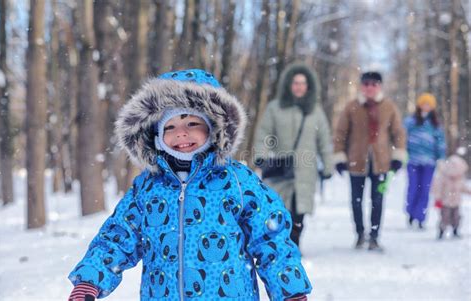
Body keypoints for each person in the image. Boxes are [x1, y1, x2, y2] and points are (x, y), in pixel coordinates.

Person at [67, 69, 311, 301]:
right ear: (157, 137)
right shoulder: (147, 189)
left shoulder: (237, 182)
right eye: (170, 127)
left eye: (192, 124)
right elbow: (117, 237)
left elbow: (271, 239)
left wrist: (290, 290)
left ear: (213, 128)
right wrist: (90, 280)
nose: (181, 134)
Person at [253, 63, 333, 247]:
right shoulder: (275, 108)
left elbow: (324, 140)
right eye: (295, 83)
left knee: (299, 211)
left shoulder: (315, 111)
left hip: (306, 171)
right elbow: (264, 133)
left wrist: (328, 165)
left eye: (303, 83)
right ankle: (281, 243)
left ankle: (293, 244)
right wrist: (261, 155)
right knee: (279, 209)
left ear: (308, 86)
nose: (299, 86)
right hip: (281, 169)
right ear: (289, 84)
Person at [333, 71, 406, 251]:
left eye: (374, 84)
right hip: (356, 161)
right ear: (361, 86)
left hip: (381, 163)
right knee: (356, 201)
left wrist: (398, 157)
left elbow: (398, 133)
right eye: (366, 84)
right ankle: (359, 234)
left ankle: (374, 236)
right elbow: (340, 133)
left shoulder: (389, 107)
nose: (370, 88)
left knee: (378, 200)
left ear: (379, 86)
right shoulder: (352, 107)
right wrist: (339, 157)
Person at [404, 93, 446, 229]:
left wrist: (441, 158)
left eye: (429, 104)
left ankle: (421, 217)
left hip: (429, 163)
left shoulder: (435, 124)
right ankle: (411, 213)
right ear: (419, 105)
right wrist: (402, 153)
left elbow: (440, 142)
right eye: (424, 103)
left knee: (425, 190)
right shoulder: (410, 122)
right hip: (413, 161)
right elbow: (402, 137)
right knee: (413, 187)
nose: (426, 107)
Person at [432, 152, 471, 239]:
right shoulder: (443, 178)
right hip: (445, 203)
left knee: (456, 217)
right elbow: (438, 189)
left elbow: (464, 188)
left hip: (456, 203)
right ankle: (441, 231)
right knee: (444, 218)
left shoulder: (460, 179)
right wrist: (438, 199)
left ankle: (455, 230)